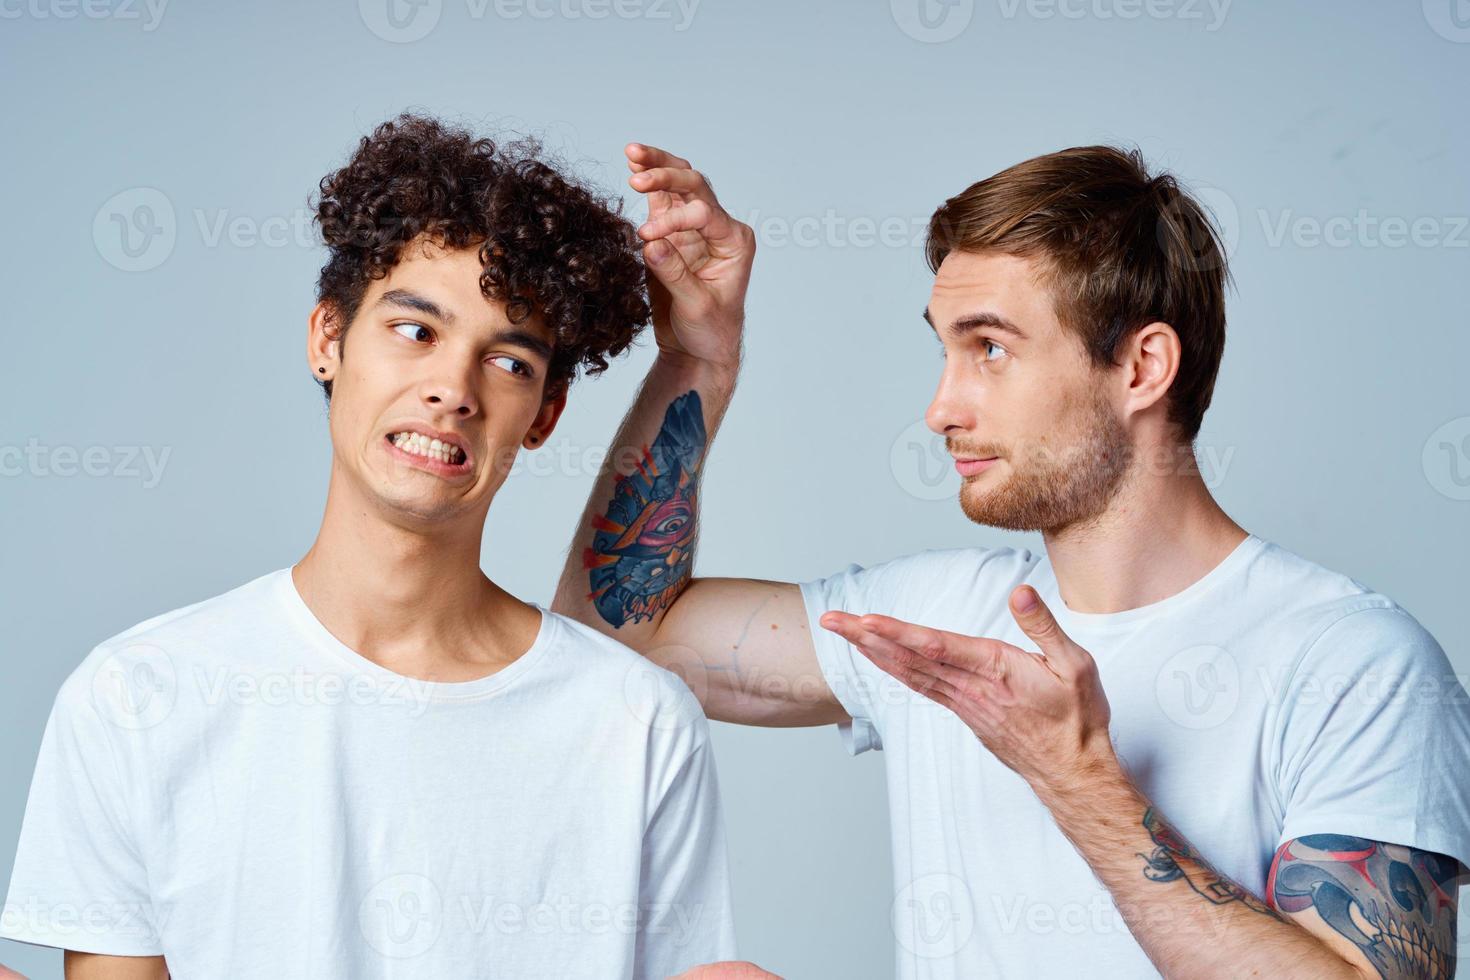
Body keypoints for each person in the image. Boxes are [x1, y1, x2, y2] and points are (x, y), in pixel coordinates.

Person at [553, 142, 1470, 977]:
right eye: (947, 350)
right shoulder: (936, 618)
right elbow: (617, 636)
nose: (942, 408)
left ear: (1143, 368)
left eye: (990, 348)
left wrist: (1077, 779)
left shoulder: (1353, 662)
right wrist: (697, 359)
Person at [0, 114, 741, 979]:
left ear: (544, 415)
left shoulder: (638, 724)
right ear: (328, 340)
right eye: (416, 331)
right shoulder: (138, 695)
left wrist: (703, 355)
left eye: (507, 361)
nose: (451, 391)